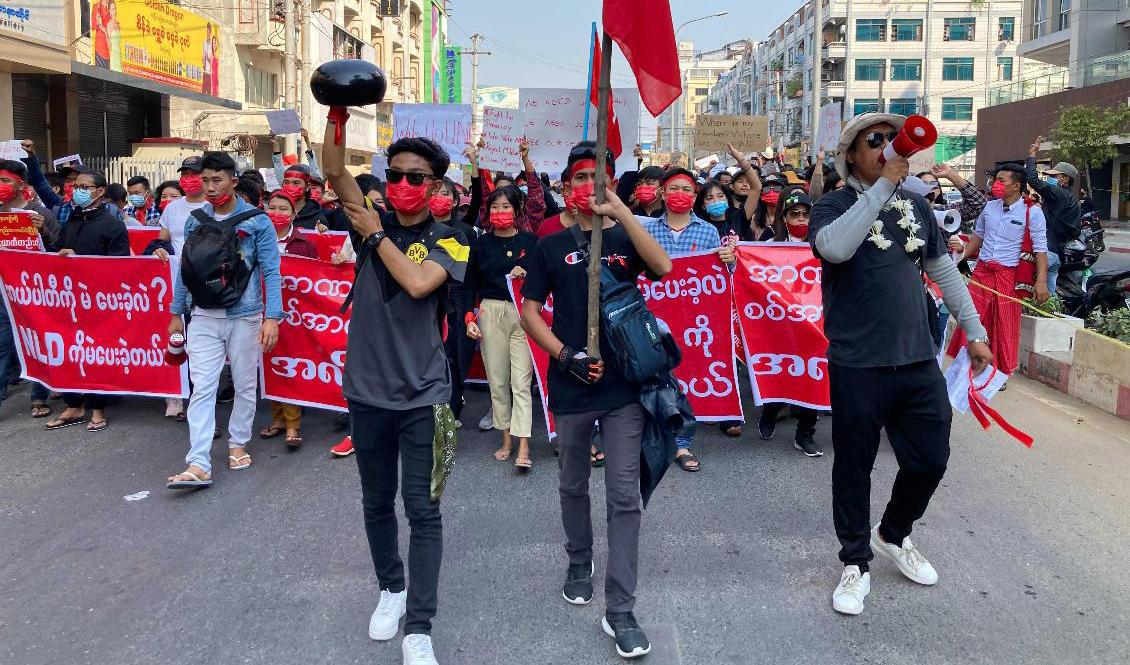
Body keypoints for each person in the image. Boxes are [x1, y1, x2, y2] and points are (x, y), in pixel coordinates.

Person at [810, 113, 992, 616]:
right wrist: (882, 188)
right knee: (854, 466)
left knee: (930, 459)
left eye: (894, 141)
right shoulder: (833, 204)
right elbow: (835, 247)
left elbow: (944, 272)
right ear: (851, 154)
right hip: (859, 363)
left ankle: (893, 533)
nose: (889, 149)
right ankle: (855, 562)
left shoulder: (916, 206)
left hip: (916, 359)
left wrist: (973, 331)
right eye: (876, 142)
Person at [323, 105, 469, 665]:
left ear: (434, 186)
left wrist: (376, 232)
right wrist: (336, 113)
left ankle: (420, 626)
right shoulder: (368, 221)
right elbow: (335, 170)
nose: (404, 185)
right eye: (396, 176)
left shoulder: (452, 240)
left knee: (423, 509)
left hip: (425, 396)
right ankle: (391, 589)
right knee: (376, 501)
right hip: (365, 392)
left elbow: (416, 284)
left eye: (416, 178)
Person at [520, 140, 672, 659]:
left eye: (600, 177)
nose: (590, 186)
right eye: (581, 178)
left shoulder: (626, 236)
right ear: (566, 187)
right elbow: (531, 313)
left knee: (625, 496)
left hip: (625, 387)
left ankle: (621, 607)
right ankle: (579, 557)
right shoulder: (548, 245)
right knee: (572, 482)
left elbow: (664, 268)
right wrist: (565, 356)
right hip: (572, 387)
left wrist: (623, 214)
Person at [165, 151, 282, 489]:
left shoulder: (258, 221)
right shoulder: (194, 220)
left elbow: (271, 271)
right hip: (202, 315)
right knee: (203, 386)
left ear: (233, 180)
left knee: (245, 384)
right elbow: (185, 271)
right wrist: (176, 313)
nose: (210, 187)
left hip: (245, 316)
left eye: (216, 180)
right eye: (205, 181)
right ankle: (198, 462)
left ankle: (237, 443)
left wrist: (272, 317)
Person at [643, 168, 736, 473]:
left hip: (695, 320)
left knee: (689, 377)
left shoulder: (708, 231)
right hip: (654, 318)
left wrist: (728, 260)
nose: (679, 195)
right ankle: (654, 437)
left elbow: (720, 276)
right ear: (662, 194)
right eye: (673, 189)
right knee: (654, 377)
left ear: (694, 197)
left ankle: (682, 443)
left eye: (686, 189)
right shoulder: (646, 230)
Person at [44, 168, 129, 433]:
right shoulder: (72, 220)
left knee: (96, 355)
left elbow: (120, 266)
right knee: (71, 352)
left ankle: (97, 408)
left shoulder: (113, 225)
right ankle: (73, 404)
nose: (77, 191)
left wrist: (79, 258)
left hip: (100, 303)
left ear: (100, 191)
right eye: (76, 186)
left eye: (84, 186)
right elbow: (58, 251)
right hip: (70, 301)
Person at [949, 164, 1049, 375]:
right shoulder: (989, 207)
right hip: (982, 273)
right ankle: (964, 364)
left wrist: (1041, 282)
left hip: (1008, 276)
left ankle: (998, 372)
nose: (996, 184)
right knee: (971, 317)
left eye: (1001, 181)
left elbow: (1040, 249)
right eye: (996, 180)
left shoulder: (1033, 213)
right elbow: (978, 239)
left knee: (1004, 323)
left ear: (1017, 186)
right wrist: (960, 255)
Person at [464, 184, 538, 470]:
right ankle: (505, 439)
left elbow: (543, 281)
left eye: (506, 207)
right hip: (489, 312)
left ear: (517, 210)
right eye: (495, 207)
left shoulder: (531, 243)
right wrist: (470, 319)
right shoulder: (481, 244)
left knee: (521, 381)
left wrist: (526, 275)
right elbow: (470, 285)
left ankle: (524, 445)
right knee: (497, 381)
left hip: (522, 314)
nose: (500, 212)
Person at [750, 189, 825, 456]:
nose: (801, 219)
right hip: (781, 324)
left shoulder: (822, 243)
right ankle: (770, 412)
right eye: (795, 214)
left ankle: (805, 433)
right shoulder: (772, 243)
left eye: (806, 214)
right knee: (782, 372)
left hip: (815, 325)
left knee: (812, 377)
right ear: (785, 217)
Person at [0, 160, 60, 419]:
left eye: (5, 181)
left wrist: (43, 231)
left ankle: (38, 397)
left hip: (34, 291)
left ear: (21, 184)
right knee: (3, 344)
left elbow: (59, 248)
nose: (0, 186)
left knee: (36, 342)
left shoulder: (40, 213)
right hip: (3, 293)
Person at [259, 189, 318, 447]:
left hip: (294, 316)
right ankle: (278, 419)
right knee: (269, 364)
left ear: (294, 213)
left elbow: (314, 281)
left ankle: (293, 425)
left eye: (283, 209)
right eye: (272, 207)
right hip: (262, 311)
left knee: (289, 365)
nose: (277, 213)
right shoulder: (255, 239)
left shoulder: (304, 245)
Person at [1027, 136, 1081, 294]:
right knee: (1049, 297)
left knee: (1031, 293)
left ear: (1065, 178)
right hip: (1056, 255)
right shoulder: (1072, 200)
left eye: (1053, 176)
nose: (1050, 179)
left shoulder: (1057, 192)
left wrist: (1032, 155)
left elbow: (1031, 179)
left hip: (1045, 254)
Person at [155, 156, 207, 258]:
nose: (189, 178)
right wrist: (160, 249)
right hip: (177, 270)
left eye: (195, 174)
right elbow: (163, 241)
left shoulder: (215, 207)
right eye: (185, 174)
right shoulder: (172, 208)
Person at [279, 163, 329, 231]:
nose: (290, 186)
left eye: (296, 183)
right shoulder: (275, 213)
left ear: (307, 187)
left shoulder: (318, 219)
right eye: (286, 182)